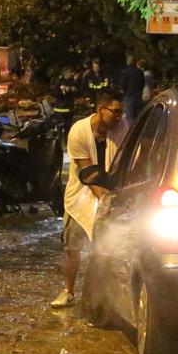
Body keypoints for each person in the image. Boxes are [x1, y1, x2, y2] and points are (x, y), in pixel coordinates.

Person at [54, 90, 128, 308]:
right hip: (82, 194)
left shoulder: (122, 128)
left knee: (111, 247)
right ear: (100, 109)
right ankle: (68, 291)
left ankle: (108, 295)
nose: (118, 117)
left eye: (121, 112)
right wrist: (103, 200)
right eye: (115, 112)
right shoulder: (78, 131)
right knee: (72, 246)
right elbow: (87, 172)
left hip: (113, 192)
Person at [119, 55, 146, 122]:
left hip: (128, 98)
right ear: (135, 62)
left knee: (129, 120)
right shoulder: (140, 72)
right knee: (140, 119)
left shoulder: (125, 72)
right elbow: (143, 84)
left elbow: (122, 85)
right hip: (139, 98)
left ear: (127, 62)